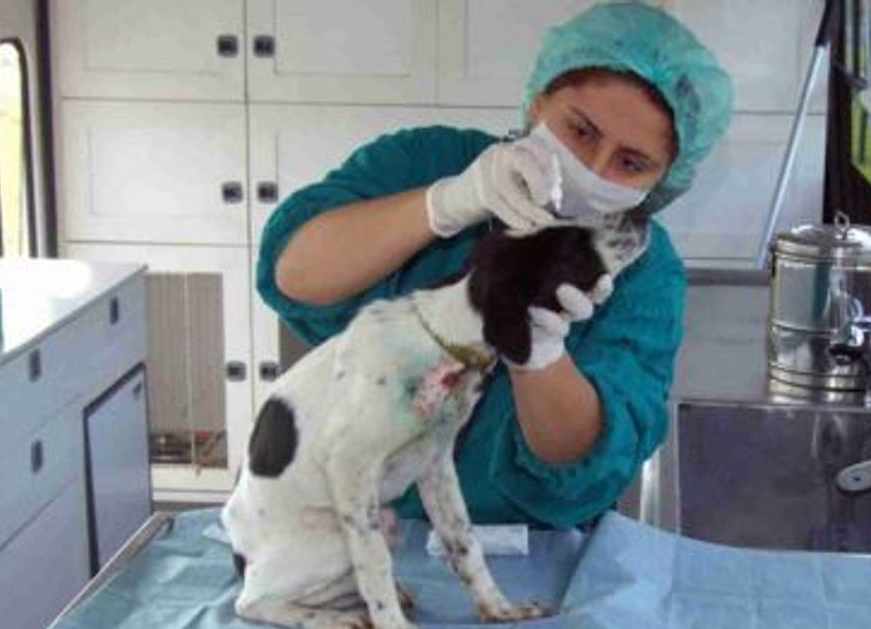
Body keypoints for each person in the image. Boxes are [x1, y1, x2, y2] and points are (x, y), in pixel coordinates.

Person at [258, 2, 732, 529]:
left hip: (522, 549)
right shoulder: (429, 159)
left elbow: (582, 459)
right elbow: (294, 273)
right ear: (538, 102)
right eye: (580, 131)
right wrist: (446, 203)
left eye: (631, 163)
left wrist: (539, 353)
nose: (592, 169)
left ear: (663, 179)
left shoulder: (643, 272)